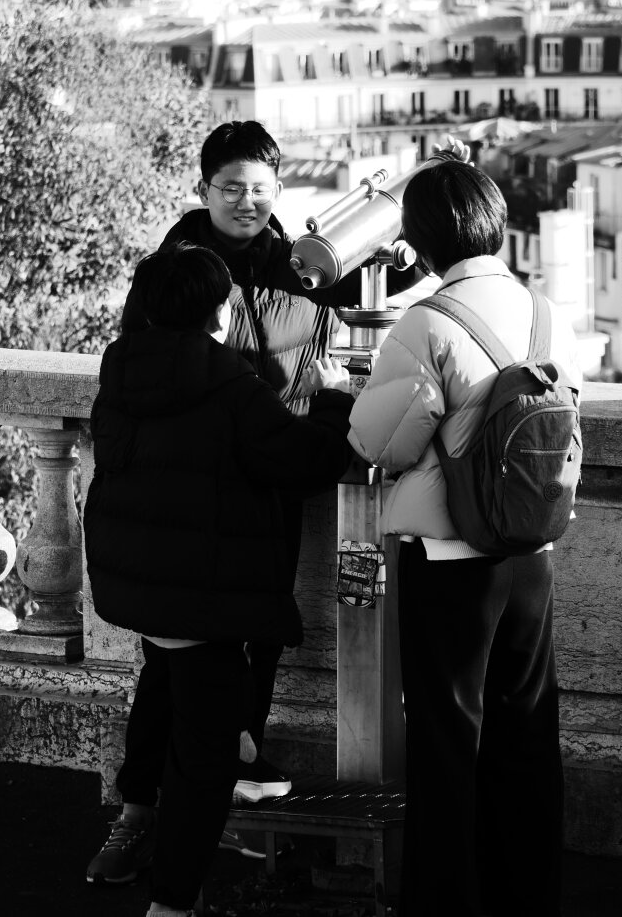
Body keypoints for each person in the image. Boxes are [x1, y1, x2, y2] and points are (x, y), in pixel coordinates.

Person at [87, 119, 421, 882]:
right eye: (230, 187)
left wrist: (405, 248)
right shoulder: (171, 273)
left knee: (250, 649)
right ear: (202, 190)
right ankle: (144, 810)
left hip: (263, 485)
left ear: (279, 195)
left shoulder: (301, 266)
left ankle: (213, 799)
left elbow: (379, 288)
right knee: (170, 668)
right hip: (199, 491)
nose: (245, 202)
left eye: (260, 190)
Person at [84, 242, 354, 917]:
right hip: (203, 597)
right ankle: (170, 904)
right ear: (218, 308)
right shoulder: (228, 385)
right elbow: (305, 461)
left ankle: (152, 819)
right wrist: (332, 398)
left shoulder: (120, 370)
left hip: (140, 584)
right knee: (202, 767)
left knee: (181, 707)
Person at [347, 159, 581, 917]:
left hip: (452, 555)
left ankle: (445, 902)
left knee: (449, 737)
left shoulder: (427, 320)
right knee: (525, 729)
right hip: (531, 551)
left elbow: (382, 440)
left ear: (417, 239)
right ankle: (529, 895)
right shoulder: (545, 312)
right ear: (493, 220)